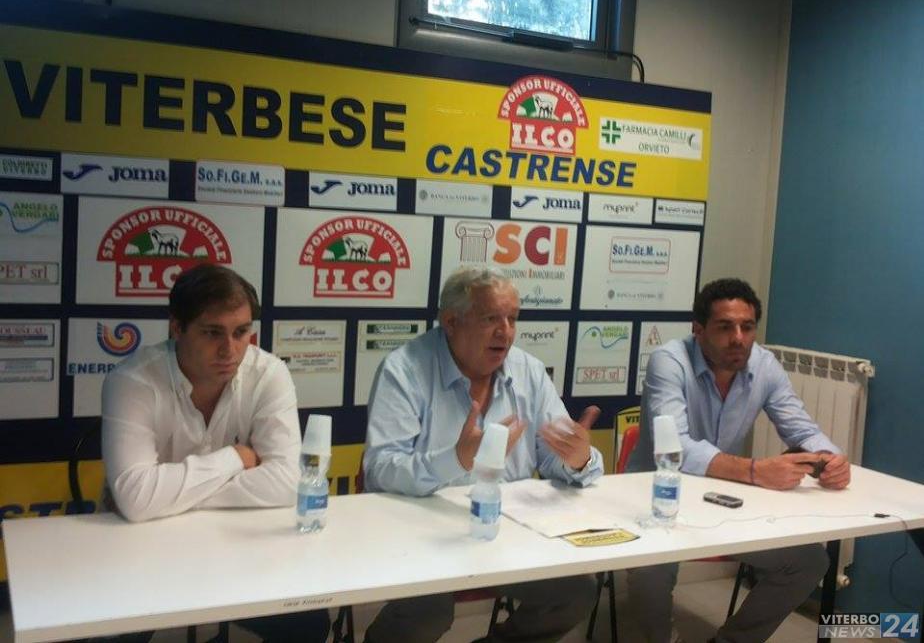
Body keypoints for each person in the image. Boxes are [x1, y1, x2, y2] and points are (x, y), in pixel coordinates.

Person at [363, 266, 604, 643]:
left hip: (506, 531)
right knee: (428, 612)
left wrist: (579, 459)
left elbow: (555, 456)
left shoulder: (529, 372)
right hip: (421, 533)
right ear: (451, 322)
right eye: (491, 318)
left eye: (512, 319)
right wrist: (457, 460)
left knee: (575, 591)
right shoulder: (404, 369)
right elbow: (380, 470)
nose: (505, 332)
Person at [101, 263, 329, 643]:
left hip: (233, 539)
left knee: (306, 624)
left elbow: (289, 481)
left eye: (241, 332)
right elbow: (137, 498)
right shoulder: (132, 381)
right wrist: (235, 459)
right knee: (111, 633)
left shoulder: (269, 373)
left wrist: (167, 494)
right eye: (212, 333)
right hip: (141, 545)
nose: (230, 349)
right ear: (177, 328)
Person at [626, 278, 851, 643]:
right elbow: (675, 447)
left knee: (810, 561)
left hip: (720, 499)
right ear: (698, 330)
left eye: (747, 327)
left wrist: (830, 458)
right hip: (655, 496)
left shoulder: (764, 365)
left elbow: (801, 428)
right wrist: (754, 470)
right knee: (650, 570)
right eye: (725, 327)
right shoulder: (669, 361)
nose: (738, 339)